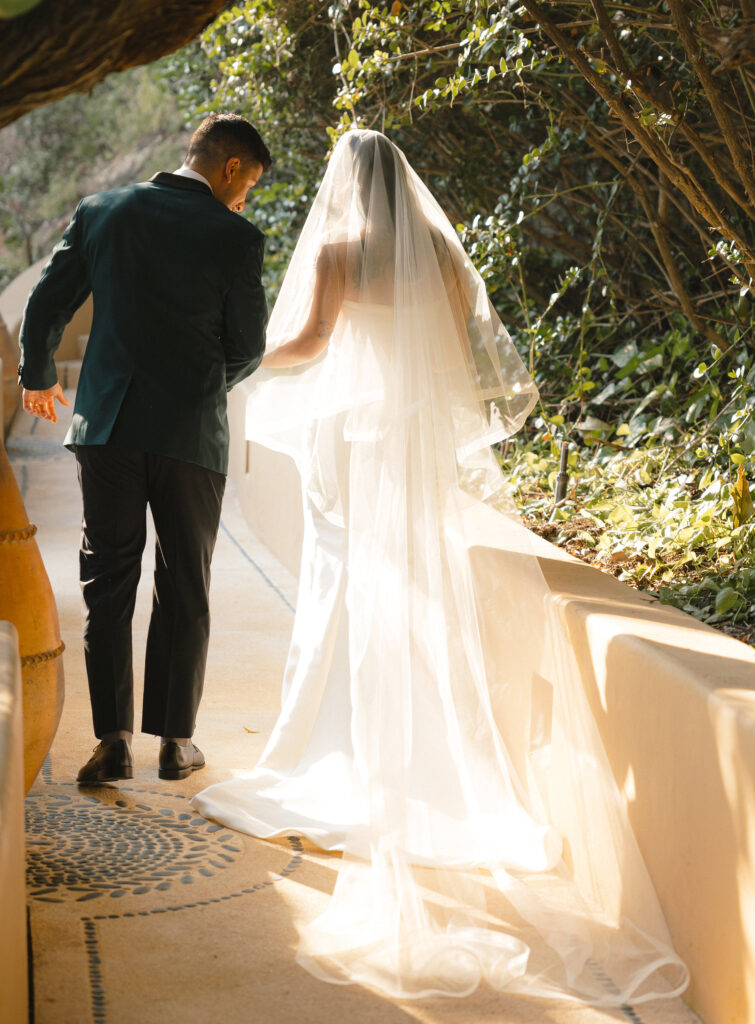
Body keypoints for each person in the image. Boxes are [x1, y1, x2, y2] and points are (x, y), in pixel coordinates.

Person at [193, 130, 689, 1004]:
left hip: (358, 444)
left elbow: (311, 341)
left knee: (347, 595)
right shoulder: (448, 262)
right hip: (418, 445)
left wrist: (245, 366)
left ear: (350, 186)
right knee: (421, 595)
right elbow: (459, 362)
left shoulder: (341, 252)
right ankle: (434, 762)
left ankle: (341, 753)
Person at [18, 113, 271, 784]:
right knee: (184, 582)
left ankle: (112, 742)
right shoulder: (236, 237)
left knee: (107, 581)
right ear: (231, 169)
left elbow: (45, 303)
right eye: (248, 186)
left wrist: (37, 376)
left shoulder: (102, 211)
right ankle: (175, 743)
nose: (244, 201)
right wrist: (195, 388)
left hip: (108, 428)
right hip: (190, 434)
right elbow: (248, 347)